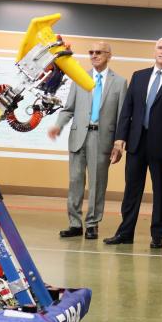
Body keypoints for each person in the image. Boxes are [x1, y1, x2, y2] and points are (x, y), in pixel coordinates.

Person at [105, 38, 162, 248]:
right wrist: (120, 139)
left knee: (161, 191)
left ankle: (158, 236)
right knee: (132, 189)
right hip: (136, 142)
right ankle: (125, 232)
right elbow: (127, 110)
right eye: (160, 48)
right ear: (155, 51)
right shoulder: (139, 76)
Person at [48, 42, 128, 240]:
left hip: (102, 138)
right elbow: (68, 108)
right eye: (91, 52)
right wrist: (59, 124)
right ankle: (75, 223)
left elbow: (122, 116)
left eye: (98, 52)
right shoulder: (79, 78)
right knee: (75, 181)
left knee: (97, 183)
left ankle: (92, 224)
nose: (94, 55)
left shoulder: (119, 82)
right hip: (78, 136)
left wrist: (119, 143)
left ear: (109, 55)